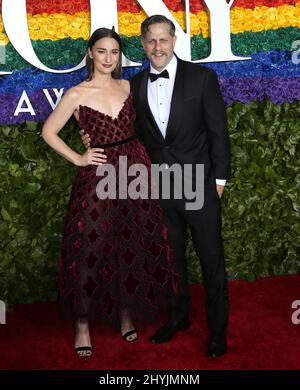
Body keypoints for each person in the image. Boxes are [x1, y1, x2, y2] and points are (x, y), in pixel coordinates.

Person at [81, 15, 231, 358]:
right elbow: (117, 125)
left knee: (211, 262)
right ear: (144, 43)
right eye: (151, 41)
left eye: (164, 40)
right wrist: (87, 135)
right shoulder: (133, 85)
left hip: (198, 184)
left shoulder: (202, 78)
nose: (158, 47)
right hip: (159, 184)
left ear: (174, 41)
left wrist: (218, 182)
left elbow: (218, 133)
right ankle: (178, 318)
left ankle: (218, 331)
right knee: (171, 260)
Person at [42, 27, 177, 358]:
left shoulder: (129, 86)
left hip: (134, 171)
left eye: (114, 52)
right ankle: (82, 323)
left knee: (129, 243)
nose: (108, 58)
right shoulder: (76, 94)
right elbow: (48, 131)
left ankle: (125, 311)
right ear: (90, 53)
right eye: (101, 51)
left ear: (120, 56)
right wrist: (79, 157)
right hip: (98, 175)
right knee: (90, 245)